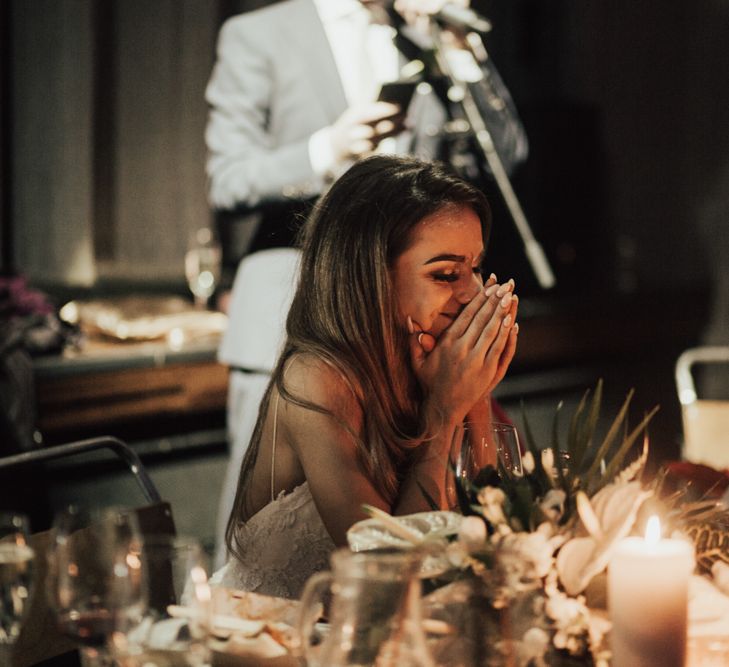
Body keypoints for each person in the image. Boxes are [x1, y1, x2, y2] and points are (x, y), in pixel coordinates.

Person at [213, 154, 519, 598]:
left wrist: (477, 389)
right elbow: (389, 583)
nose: (473, 294)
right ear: (369, 276)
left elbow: (494, 527)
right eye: (447, 274)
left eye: (474, 268)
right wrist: (443, 413)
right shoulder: (315, 379)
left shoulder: (433, 365)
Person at [204, 0, 528, 266]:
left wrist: (457, 46)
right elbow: (230, 182)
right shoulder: (259, 34)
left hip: (413, 291)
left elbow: (506, 157)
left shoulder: (419, 35)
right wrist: (332, 149)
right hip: (302, 281)